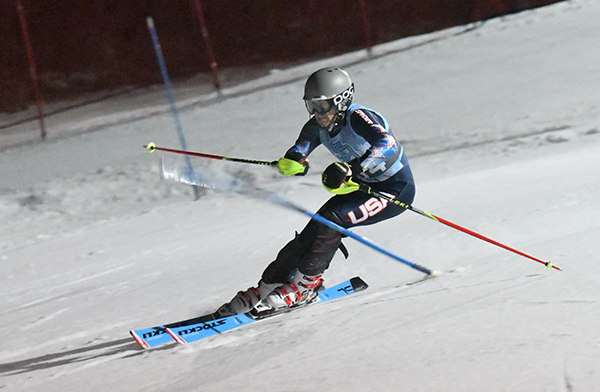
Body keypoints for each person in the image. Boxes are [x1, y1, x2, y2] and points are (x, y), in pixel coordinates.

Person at [217, 67, 415, 316]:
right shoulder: (317, 126)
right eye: (312, 106)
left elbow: (388, 145)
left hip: (393, 191)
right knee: (316, 227)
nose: (318, 114)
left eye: (323, 106)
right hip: (362, 189)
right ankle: (269, 286)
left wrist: (352, 169)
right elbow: (300, 149)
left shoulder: (359, 117)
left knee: (333, 220)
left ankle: (305, 287)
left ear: (342, 101)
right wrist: (294, 161)